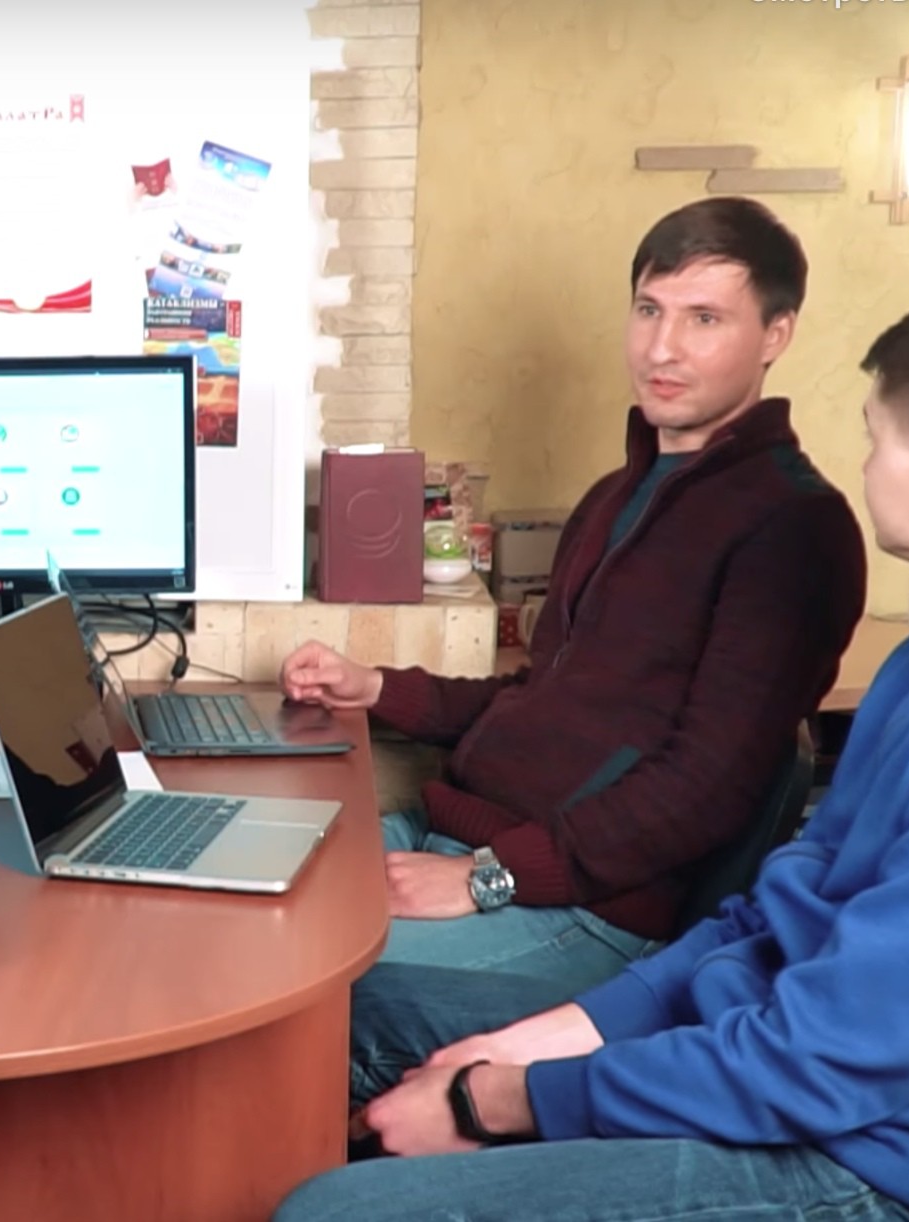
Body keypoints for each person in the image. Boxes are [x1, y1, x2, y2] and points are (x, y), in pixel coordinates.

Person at [277, 279, 909, 1222]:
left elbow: (828, 1061)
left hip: (872, 1165)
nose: (864, 465)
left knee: (330, 1214)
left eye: (876, 438)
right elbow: (773, 916)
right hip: (772, 1053)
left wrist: (500, 1099)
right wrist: (559, 1036)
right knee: (325, 1020)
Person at [279, 197, 865, 990]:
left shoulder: (793, 527)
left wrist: (489, 877)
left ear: (775, 334)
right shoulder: (614, 497)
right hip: (459, 840)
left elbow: (707, 787)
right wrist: (377, 687)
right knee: (226, 903)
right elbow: (543, 699)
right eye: (649, 310)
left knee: (287, 980)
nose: (662, 347)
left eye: (704, 319)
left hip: (584, 910)